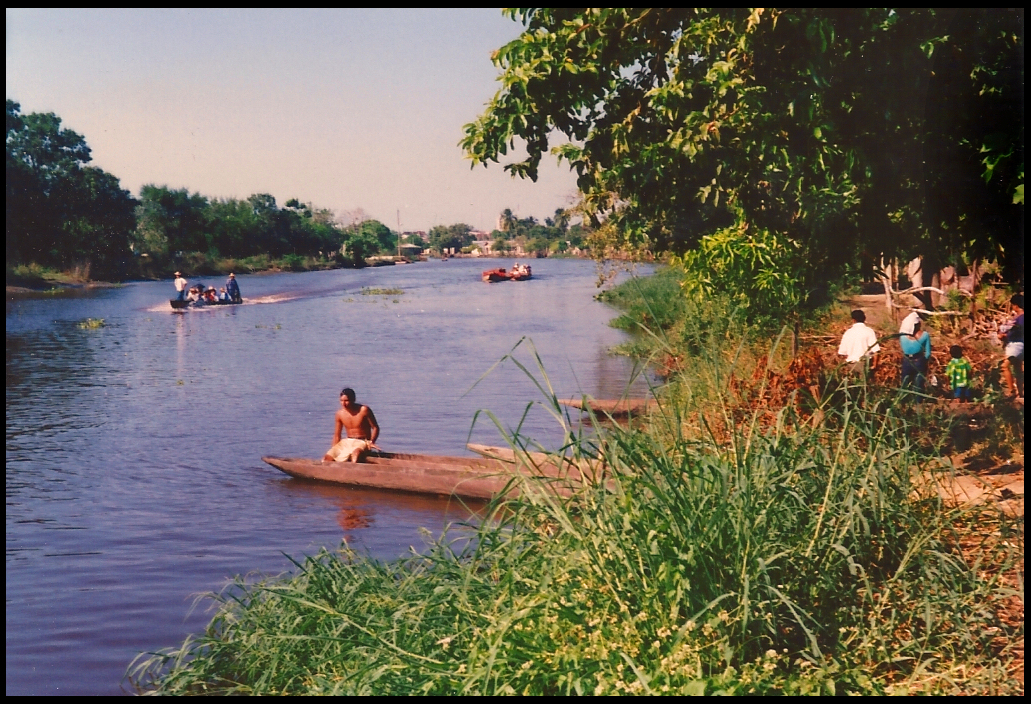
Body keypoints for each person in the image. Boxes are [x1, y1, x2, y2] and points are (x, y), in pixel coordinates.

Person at [323, 388, 380, 462]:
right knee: (326, 458)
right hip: (347, 442)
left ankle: (355, 472)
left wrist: (371, 442)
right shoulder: (339, 414)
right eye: (341, 401)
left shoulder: (364, 410)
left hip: (362, 441)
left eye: (346, 401)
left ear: (353, 399)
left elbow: (375, 428)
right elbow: (337, 435)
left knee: (356, 455)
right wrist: (334, 448)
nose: (343, 404)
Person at [837, 309, 880, 375]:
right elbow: (876, 350)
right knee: (864, 383)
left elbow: (842, 353)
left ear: (853, 320)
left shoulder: (848, 333)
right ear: (864, 319)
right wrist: (874, 365)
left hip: (850, 365)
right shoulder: (869, 331)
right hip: (864, 364)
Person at [899, 315, 931, 394]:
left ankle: (905, 400)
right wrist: (924, 361)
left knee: (905, 382)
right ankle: (918, 401)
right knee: (919, 383)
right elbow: (928, 353)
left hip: (906, 361)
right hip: (919, 360)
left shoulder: (902, 336)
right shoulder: (925, 335)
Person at [1001, 293, 1024, 398]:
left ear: (1015, 305)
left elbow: (1019, 330)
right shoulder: (1019, 317)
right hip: (1016, 344)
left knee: (1004, 366)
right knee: (1017, 368)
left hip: (1016, 345)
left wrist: (1005, 334)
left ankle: (1012, 391)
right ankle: (1020, 392)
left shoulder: (1021, 317)